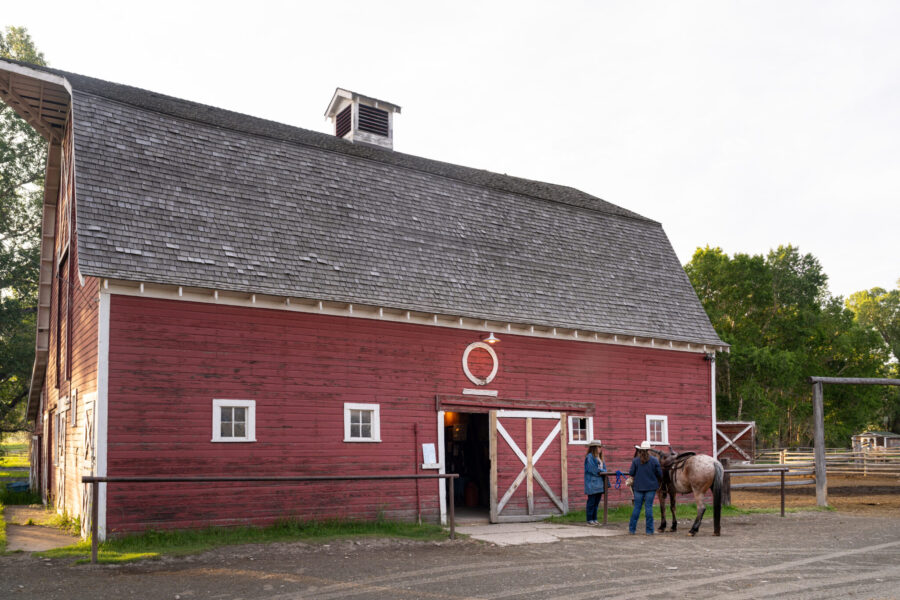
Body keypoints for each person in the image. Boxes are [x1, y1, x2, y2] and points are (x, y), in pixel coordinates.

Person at [628, 440, 662, 535]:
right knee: (648, 508)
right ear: (649, 450)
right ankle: (649, 530)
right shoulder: (654, 460)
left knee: (637, 508)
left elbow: (631, 473)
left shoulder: (635, 461)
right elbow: (660, 474)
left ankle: (632, 529)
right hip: (651, 487)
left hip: (638, 487)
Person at [583, 440, 608, 525]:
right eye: (599, 447)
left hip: (599, 483)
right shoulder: (589, 457)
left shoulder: (600, 458)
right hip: (592, 483)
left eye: (601, 447)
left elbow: (604, 469)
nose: (600, 448)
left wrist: (603, 471)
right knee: (591, 502)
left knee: (596, 503)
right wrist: (602, 471)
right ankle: (589, 519)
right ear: (594, 448)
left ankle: (595, 519)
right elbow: (592, 470)